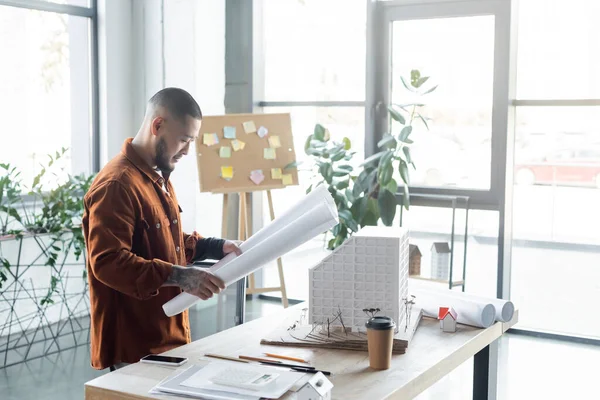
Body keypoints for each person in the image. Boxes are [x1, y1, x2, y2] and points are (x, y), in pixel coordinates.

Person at [82, 87, 241, 371]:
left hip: (169, 338)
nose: (187, 151)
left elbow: (163, 240)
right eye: (183, 140)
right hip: (136, 348)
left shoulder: (158, 176)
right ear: (157, 125)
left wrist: (217, 247)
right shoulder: (116, 185)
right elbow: (107, 262)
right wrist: (180, 276)